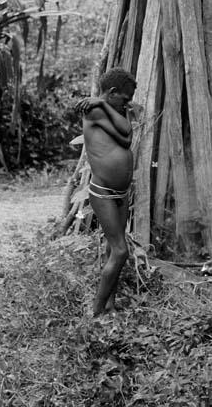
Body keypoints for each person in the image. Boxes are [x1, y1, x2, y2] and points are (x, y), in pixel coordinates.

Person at [75, 67, 137, 316]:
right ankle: (96, 311)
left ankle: (110, 305)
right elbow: (124, 128)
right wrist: (101, 101)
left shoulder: (106, 108)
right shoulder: (97, 108)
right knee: (121, 250)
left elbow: (126, 138)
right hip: (104, 192)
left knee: (114, 249)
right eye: (125, 98)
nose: (128, 103)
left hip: (120, 193)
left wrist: (109, 104)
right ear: (112, 93)